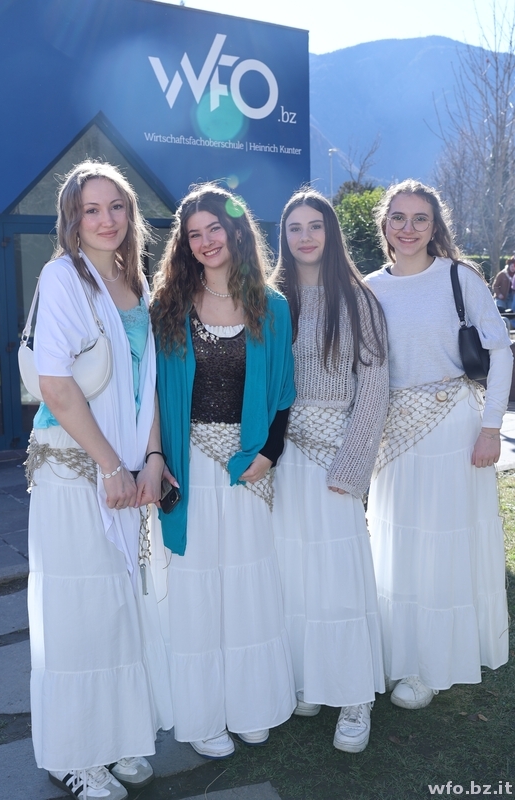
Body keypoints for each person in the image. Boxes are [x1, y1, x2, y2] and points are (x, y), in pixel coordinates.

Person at [26, 161, 173, 800]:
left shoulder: (133, 279)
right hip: (72, 466)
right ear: (73, 219)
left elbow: (148, 381)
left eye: (117, 206)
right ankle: (74, 757)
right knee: (77, 614)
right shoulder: (62, 277)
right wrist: (111, 465)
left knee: (116, 612)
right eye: (92, 209)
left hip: (125, 467)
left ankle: (111, 739)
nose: (106, 219)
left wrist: (153, 457)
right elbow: (55, 385)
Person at [150, 183, 296, 759]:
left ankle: (251, 704)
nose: (206, 241)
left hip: (247, 465)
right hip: (187, 464)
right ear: (184, 245)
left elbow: (283, 392)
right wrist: (157, 460)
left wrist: (269, 453)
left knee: (248, 583)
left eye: (215, 228)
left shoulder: (271, 306)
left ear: (236, 231)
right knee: (196, 587)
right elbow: (152, 395)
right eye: (194, 234)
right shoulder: (169, 307)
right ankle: (204, 715)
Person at [366, 179, 512, 711]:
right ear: (384, 225)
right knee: (399, 544)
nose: (408, 228)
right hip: (394, 435)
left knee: (443, 541)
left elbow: (501, 350)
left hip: (454, 427)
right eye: (398, 218)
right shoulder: (369, 287)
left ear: (435, 226)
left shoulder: (459, 277)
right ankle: (398, 651)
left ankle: (432, 662)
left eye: (420, 218)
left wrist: (491, 428)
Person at [271, 189, 388, 753]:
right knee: (292, 570)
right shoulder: (270, 298)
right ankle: (310, 678)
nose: (305, 237)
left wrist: (352, 464)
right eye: (295, 227)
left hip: (336, 454)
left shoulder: (359, 300)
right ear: (283, 237)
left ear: (331, 233)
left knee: (339, 574)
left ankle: (354, 695)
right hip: (282, 457)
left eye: (315, 225)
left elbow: (375, 387)